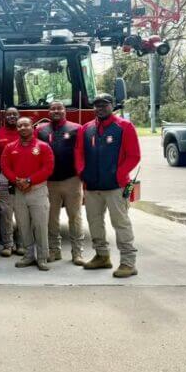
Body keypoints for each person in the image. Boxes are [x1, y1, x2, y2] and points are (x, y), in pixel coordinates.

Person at [76, 93, 141, 278]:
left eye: (104, 105)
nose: (100, 108)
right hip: (92, 187)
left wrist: (118, 175)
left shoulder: (124, 127)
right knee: (94, 222)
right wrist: (82, 173)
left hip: (116, 187)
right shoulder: (86, 129)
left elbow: (134, 156)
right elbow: (79, 153)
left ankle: (128, 263)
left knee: (120, 223)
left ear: (112, 106)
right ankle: (102, 256)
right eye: (97, 105)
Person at [1, 117, 54, 271]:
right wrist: (16, 180)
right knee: (23, 225)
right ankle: (28, 256)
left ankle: (42, 257)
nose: (23, 128)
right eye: (19, 126)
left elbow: (48, 168)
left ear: (32, 127)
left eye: (26, 125)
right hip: (19, 191)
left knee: (40, 225)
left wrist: (30, 180)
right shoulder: (10, 147)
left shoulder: (43, 146)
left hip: (38, 190)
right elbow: (5, 166)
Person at [36, 101, 84, 265]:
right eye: (53, 108)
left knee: (75, 217)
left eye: (59, 108)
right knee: (51, 218)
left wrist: (81, 173)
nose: (56, 111)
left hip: (72, 180)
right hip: (49, 182)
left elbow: (82, 152)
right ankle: (54, 251)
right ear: (48, 112)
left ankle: (77, 253)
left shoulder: (76, 128)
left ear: (65, 111)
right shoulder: (40, 130)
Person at [0, 107, 23, 256]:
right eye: (8, 114)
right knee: (5, 212)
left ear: (19, 116)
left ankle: (21, 244)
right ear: (4, 117)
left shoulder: (27, 132)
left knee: (22, 212)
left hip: (23, 176)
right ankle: (8, 245)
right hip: (3, 176)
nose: (12, 117)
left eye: (14, 114)